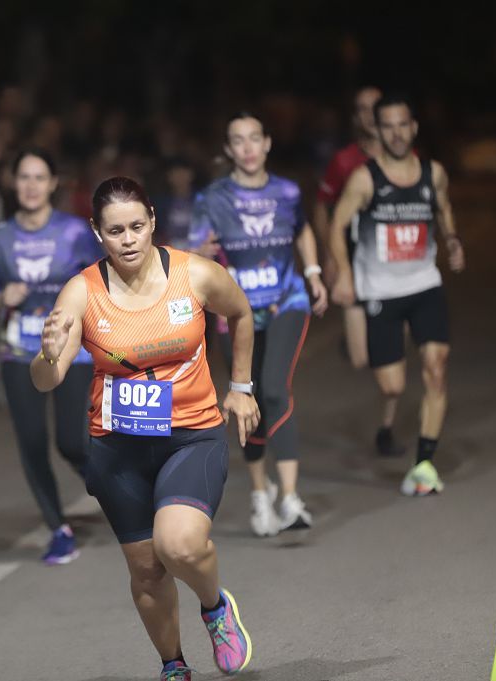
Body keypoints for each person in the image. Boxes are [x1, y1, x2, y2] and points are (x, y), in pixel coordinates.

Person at [31, 176, 259, 680]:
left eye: (137, 226)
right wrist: (47, 354)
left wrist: (240, 385)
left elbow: (242, 313)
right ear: (98, 233)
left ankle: (215, 607)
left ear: (153, 220)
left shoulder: (194, 274)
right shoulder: (82, 292)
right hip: (118, 449)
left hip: (191, 434)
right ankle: (173, 665)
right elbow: (48, 379)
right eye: (116, 231)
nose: (129, 239)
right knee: (146, 569)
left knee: (177, 545)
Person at [189, 112, 328, 537]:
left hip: (288, 300)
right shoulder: (212, 197)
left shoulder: (286, 191)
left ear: (267, 143)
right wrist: (201, 249)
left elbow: (302, 230)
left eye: (255, 138)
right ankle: (259, 493)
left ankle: (289, 498)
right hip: (236, 313)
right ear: (229, 150)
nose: (248, 147)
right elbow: (192, 253)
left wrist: (314, 272)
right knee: (245, 397)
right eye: (238, 140)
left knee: (273, 388)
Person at [329, 93, 465, 496]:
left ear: (414, 127)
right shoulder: (365, 179)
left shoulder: (433, 173)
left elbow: (444, 208)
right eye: (387, 125)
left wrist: (453, 239)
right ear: (378, 130)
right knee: (392, 386)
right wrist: (344, 276)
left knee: (436, 367)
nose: (396, 132)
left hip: (425, 285)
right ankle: (370, 349)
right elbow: (337, 226)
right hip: (380, 293)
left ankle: (424, 462)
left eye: (403, 124)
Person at [0, 149, 101, 565]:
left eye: (39, 177)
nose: (30, 185)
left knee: (71, 441)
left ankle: (115, 488)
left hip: (71, 350)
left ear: (52, 184)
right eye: (24, 177)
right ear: (14, 183)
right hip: (18, 351)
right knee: (31, 442)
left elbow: (99, 285)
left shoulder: (75, 233)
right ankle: (58, 529)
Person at [315, 86, 409, 456]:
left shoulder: (406, 156)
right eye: (362, 109)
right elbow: (323, 207)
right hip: (356, 264)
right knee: (361, 359)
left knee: (394, 359)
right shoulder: (344, 161)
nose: (369, 115)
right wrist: (330, 257)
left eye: (376, 108)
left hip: (397, 271)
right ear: (356, 117)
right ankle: (356, 340)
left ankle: (386, 428)